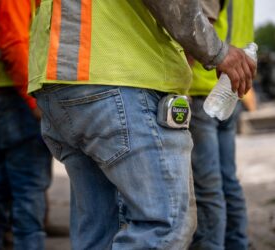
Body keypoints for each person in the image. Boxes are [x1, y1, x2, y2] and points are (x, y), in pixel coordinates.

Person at [28, 0, 256, 249]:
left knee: (100, 232)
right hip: (118, 78)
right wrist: (218, 52)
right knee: (165, 224)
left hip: (61, 80)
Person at [0, 0, 52, 249]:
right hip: (13, 99)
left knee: (1, 193)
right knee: (28, 193)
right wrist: (34, 101)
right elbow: (15, 45)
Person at [188, 0, 255, 249]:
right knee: (228, 180)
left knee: (207, 188)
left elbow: (200, 22)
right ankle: (238, 243)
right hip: (231, 88)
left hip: (203, 86)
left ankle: (212, 245)